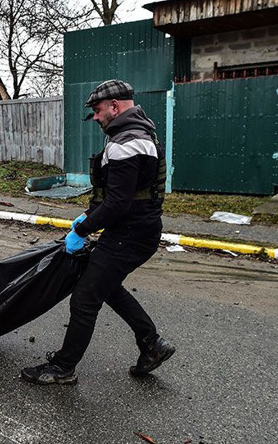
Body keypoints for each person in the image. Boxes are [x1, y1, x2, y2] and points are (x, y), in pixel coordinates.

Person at [21, 79, 174, 385]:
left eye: (97, 110)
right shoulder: (136, 133)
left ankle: (64, 368)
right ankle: (151, 344)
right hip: (135, 230)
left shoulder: (127, 142)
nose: (94, 117)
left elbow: (117, 202)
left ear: (115, 106)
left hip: (129, 234)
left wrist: (82, 227)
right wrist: (90, 216)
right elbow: (121, 195)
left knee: (85, 298)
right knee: (107, 287)